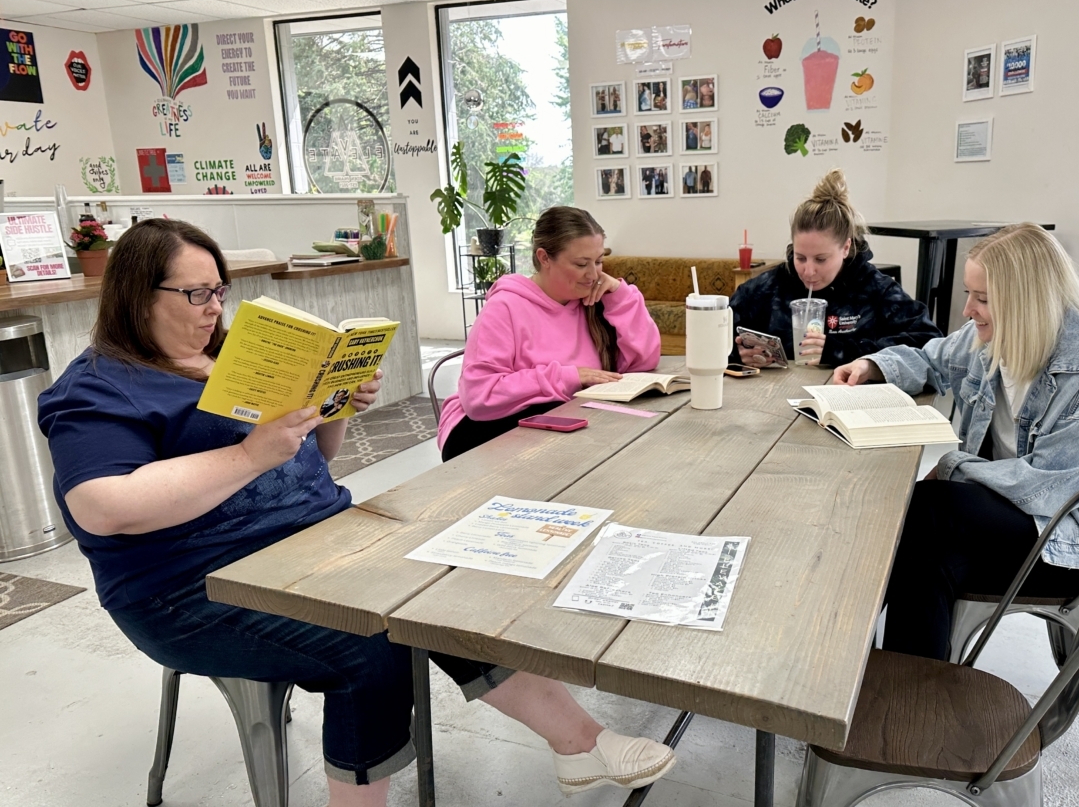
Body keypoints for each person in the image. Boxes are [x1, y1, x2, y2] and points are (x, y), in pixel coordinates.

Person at [39, 219, 675, 804]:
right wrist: (248, 456)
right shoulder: (99, 386)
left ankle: (579, 742)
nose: (213, 310)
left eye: (219, 292)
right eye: (196, 294)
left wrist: (332, 408)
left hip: (313, 544)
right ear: (135, 294)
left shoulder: (233, 356)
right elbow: (101, 508)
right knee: (369, 649)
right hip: (188, 587)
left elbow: (315, 456)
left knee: (449, 585)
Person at [833, 223, 1079, 661]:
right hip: (1010, 512)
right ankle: (908, 698)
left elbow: (1049, 489)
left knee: (925, 507)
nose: (967, 310)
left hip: (1066, 539)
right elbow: (931, 358)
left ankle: (838, 645)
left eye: (982, 299)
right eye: (969, 294)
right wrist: (873, 366)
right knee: (922, 558)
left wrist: (951, 466)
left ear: (1027, 304)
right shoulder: (995, 335)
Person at [439, 206, 661, 461]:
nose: (594, 274)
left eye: (598, 261)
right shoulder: (505, 307)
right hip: (478, 430)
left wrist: (622, 297)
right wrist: (569, 376)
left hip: (565, 419)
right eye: (581, 264)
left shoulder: (595, 300)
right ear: (544, 258)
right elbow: (480, 398)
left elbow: (644, 362)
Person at [731, 168, 940, 366]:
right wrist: (737, 354)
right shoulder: (769, 288)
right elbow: (715, 333)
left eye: (821, 259)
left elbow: (928, 341)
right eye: (800, 257)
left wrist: (840, 351)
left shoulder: (874, 289)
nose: (808, 271)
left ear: (846, 248)